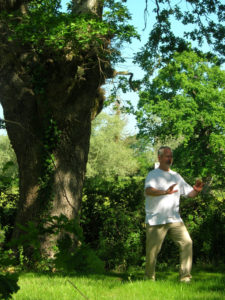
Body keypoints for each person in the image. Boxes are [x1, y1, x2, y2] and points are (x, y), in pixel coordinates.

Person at [144, 146, 204, 283]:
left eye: (171, 156)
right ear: (159, 158)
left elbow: (189, 194)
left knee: (187, 243)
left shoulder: (176, 176)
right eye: (166, 156)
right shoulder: (152, 175)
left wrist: (197, 190)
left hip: (174, 219)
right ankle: (149, 278)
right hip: (156, 219)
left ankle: (185, 277)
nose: (169, 159)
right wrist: (165, 191)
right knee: (152, 252)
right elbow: (149, 191)